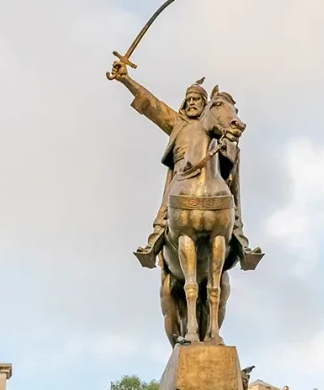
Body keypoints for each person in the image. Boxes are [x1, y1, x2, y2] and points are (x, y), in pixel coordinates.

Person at [109, 60, 260, 269]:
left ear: (204, 104)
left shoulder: (211, 125)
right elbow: (151, 103)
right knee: (165, 212)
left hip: (210, 175)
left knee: (230, 197)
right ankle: (154, 241)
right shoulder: (177, 123)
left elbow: (227, 131)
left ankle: (239, 238)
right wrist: (125, 79)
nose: (191, 102)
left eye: (196, 99)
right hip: (180, 177)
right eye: (188, 99)